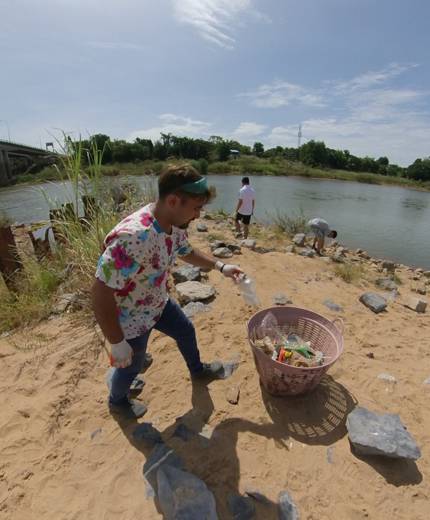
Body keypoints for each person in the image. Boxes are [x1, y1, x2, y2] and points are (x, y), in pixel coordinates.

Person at [92, 164, 243, 418]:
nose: (198, 215)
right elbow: (100, 292)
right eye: (196, 208)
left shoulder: (174, 226)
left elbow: (187, 252)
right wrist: (116, 341)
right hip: (130, 319)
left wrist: (221, 265)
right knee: (131, 365)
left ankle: (197, 370)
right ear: (173, 200)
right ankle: (117, 400)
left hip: (158, 303)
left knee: (186, 330)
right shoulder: (135, 237)